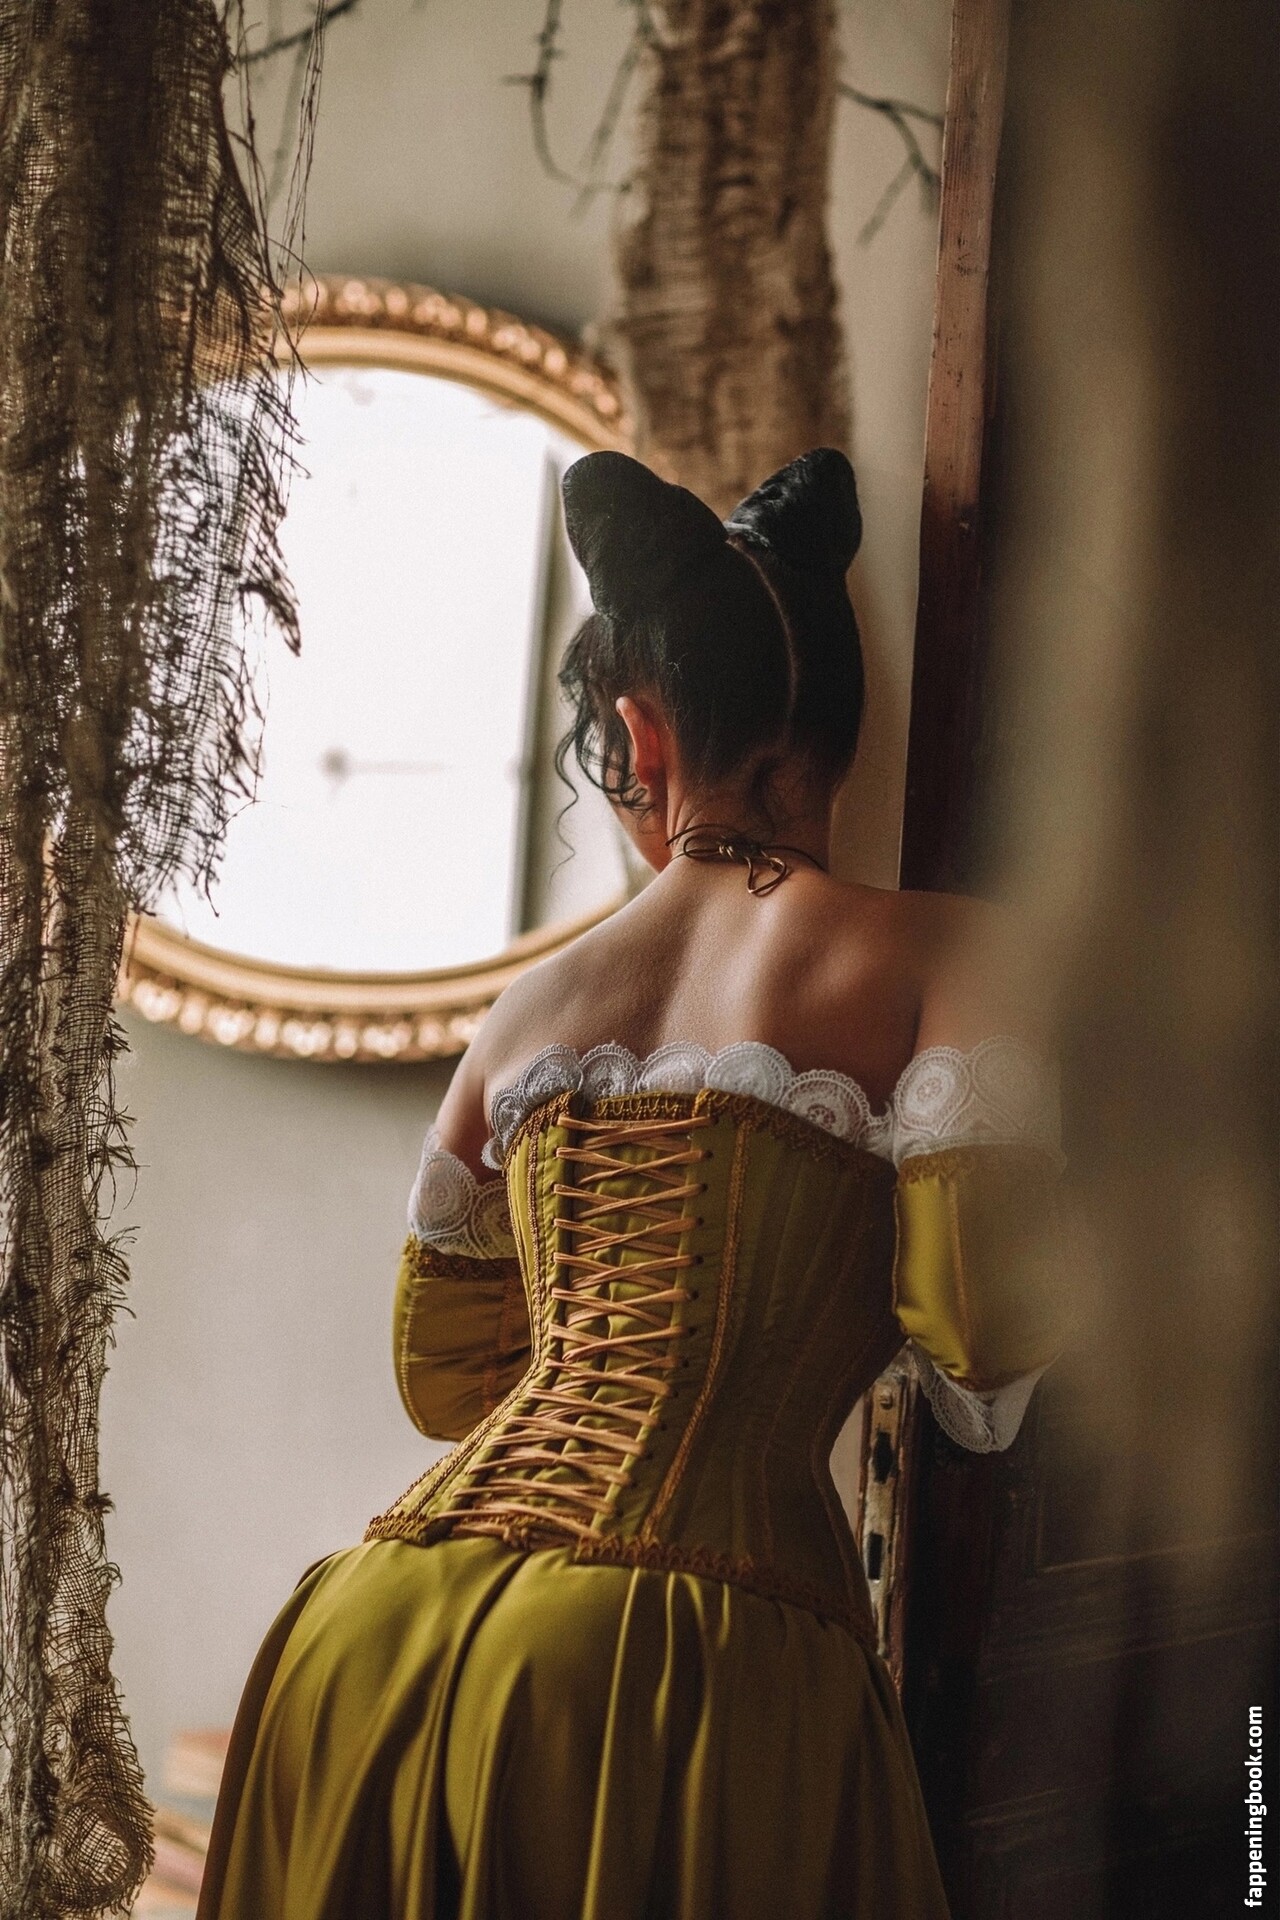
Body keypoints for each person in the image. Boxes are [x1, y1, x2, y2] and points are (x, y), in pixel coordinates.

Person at [197, 449, 1064, 1920]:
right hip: (686, 1664)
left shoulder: (528, 1009)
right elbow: (980, 1344)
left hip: (372, 1635)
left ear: (640, 736)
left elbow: (446, 1376)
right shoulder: (947, 954)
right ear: (843, 732)